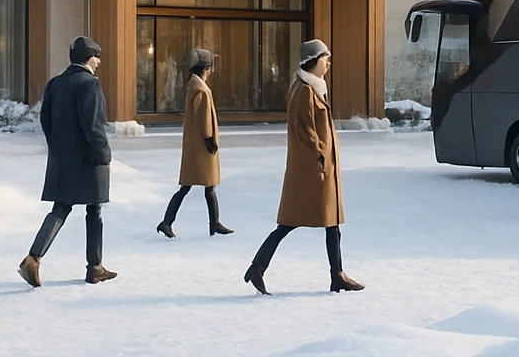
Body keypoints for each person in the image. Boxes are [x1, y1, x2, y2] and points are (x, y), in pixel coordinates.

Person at [244, 39, 364, 295]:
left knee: (331, 223)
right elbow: (306, 131)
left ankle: (337, 274)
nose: (328, 63)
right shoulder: (304, 91)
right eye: (325, 59)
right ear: (312, 61)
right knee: (291, 222)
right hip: (313, 170)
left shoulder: (313, 88)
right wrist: (321, 156)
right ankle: (258, 267)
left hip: (319, 167)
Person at [18, 36, 117, 287]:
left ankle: (34, 257)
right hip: (88, 158)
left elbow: (45, 120)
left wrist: (57, 147)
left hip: (62, 158)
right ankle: (95, 266)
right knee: (93, 209)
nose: (99, 61)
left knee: (60, 208)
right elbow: (93, 125)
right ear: (88, 57)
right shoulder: (90, 84)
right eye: (97, 56)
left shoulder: (55, 83)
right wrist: (103, 154)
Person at [156, 48, 233, 238]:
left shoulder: (194, 87)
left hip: (196, 145)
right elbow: (203, 117)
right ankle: (169, 222)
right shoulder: (201, 90)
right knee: (200, 185)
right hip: (202, 146)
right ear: (207, 69)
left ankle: (209, 222)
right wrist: (209, 139)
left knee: (201, 186)